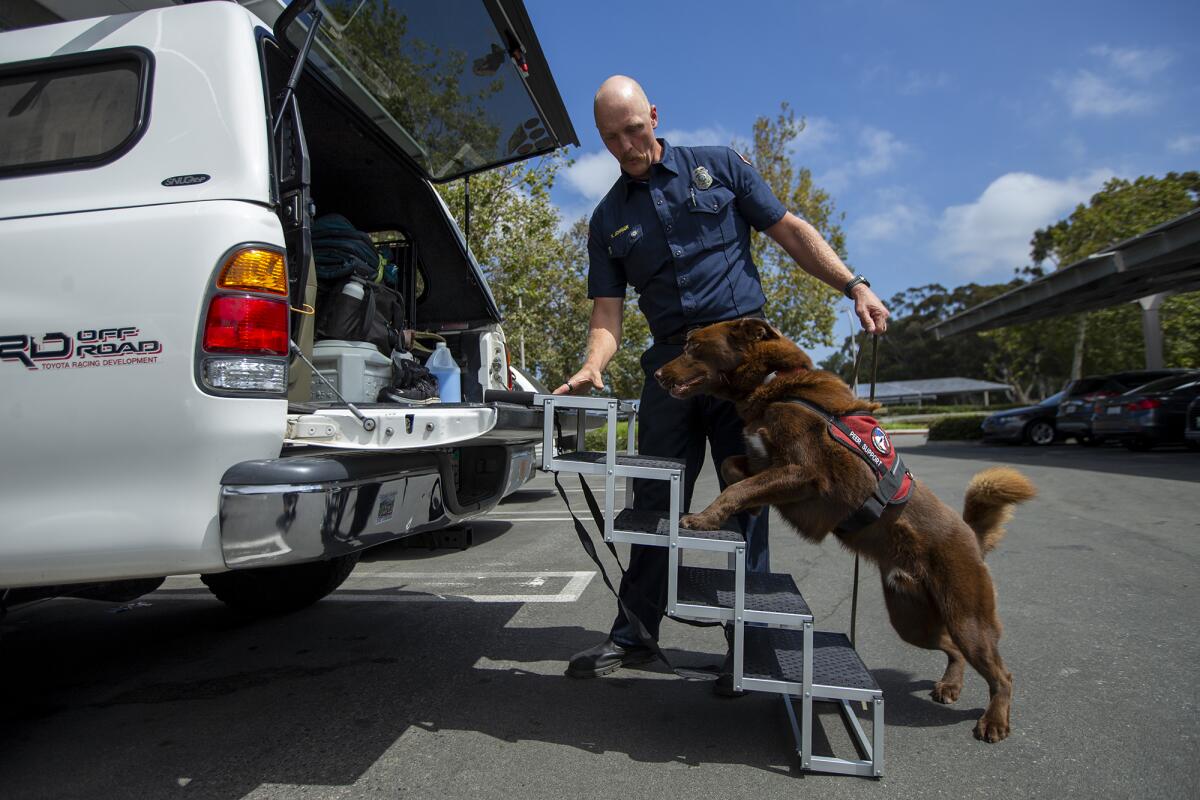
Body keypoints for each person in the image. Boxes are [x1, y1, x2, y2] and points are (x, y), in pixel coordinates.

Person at [555, 75, 889, 694]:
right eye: (611, 138)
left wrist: (854, 285)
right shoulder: (607, 220)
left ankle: (750, 647)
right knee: (653, 501)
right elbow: (608, 312)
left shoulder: (719, 166)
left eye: (634, 128)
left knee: (752, 498)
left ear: (654, 115)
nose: (627, 145)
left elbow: (790, 231)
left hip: (745, 371)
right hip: (674, 371)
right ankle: (635, 634)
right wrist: (593, 364)